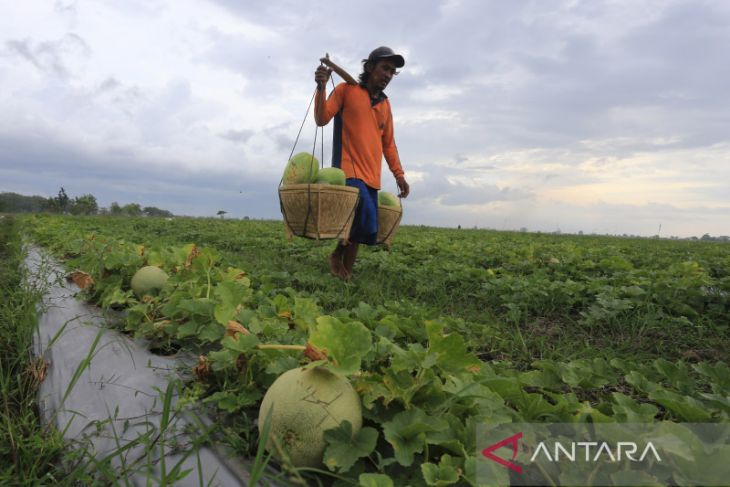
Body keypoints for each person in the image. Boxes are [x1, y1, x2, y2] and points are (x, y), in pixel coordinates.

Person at [313, 46, 410, 280]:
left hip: (371, 176)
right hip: (348, 169)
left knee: (363, 229)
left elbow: (388, 144)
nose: (388, 75)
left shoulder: (385, 105)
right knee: (363, 214)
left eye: (392, 71)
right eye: (384, 68)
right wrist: (321, 86)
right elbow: (321, 118)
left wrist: (399, 174)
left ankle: (345, 273)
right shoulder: (347, 90)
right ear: (369, 67)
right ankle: (337, 256)